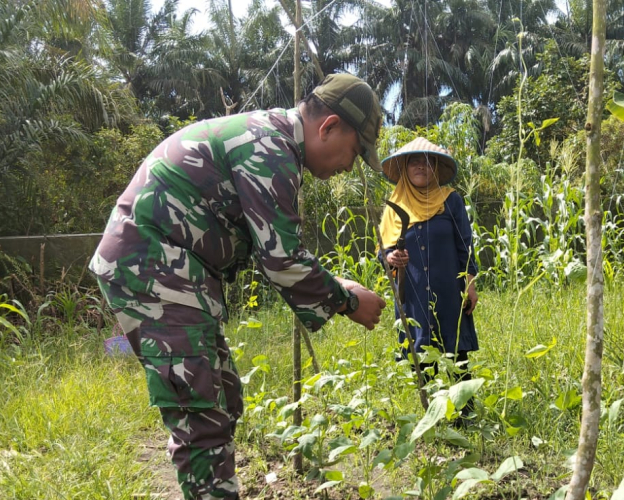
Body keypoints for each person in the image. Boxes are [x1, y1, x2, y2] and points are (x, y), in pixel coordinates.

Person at [90, 73, 387, 500]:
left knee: (224, 395)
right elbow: (281, 259)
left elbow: (277, 248)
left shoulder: (273, 140)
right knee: (200, 412)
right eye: (355, 152)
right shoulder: (269, 149)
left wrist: (334, 286)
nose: (349, 165)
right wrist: (346, 300)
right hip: (152, 264)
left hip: (176, 269)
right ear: (329, 127)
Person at [378, 137, 479, 415]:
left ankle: (465, 415)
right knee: (422, 354)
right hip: (413, 292)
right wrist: (391, 258)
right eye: (414, 162)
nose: (422, 166)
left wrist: (470, 285)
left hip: (449, 289)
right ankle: (434, 418)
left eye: (428, 162)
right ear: (404, 169)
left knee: (456, 351)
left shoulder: (451, 201)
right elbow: (383, 251)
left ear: (436, 168)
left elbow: (465, 247)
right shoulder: (393, 208)